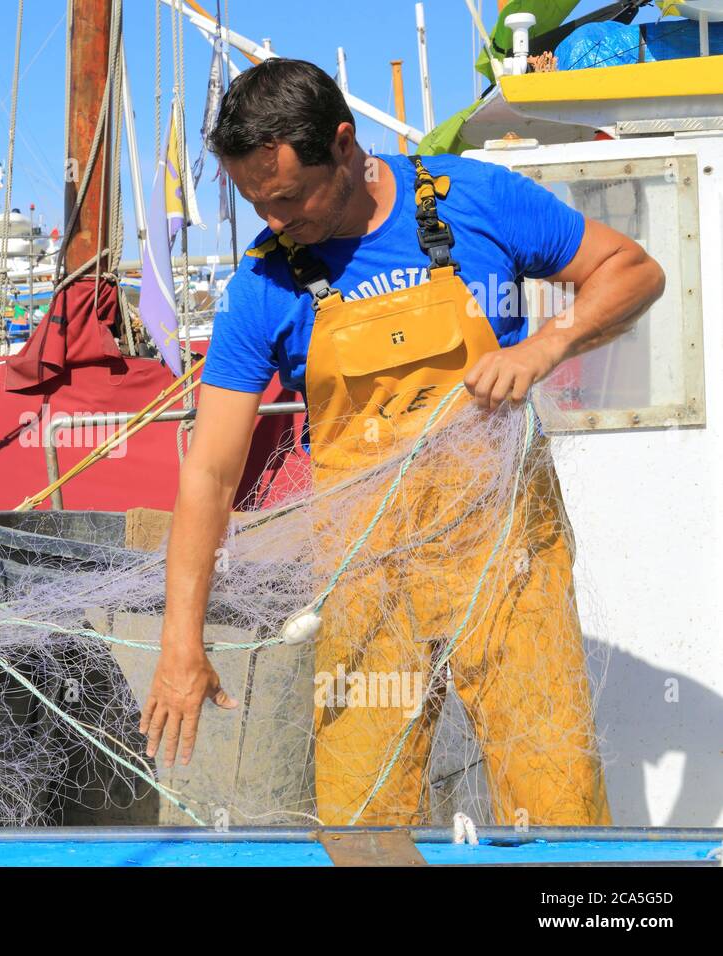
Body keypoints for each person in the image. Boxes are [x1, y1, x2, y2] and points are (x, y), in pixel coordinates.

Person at [140, 58, 665, 826]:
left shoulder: (475, 199)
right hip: (365, 577)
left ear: (345, 146)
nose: (274, 220)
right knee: (359, 815)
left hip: (508, 559)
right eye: (255, 202)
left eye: (288, 197)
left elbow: (633, 270)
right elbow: (211, 475)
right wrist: (180, 644)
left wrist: (543, 347)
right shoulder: (262, 285)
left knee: (557, 800)